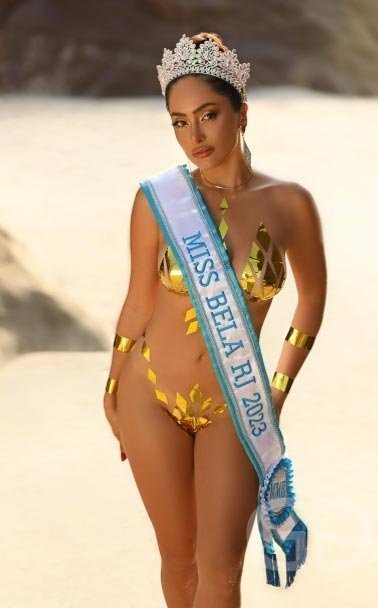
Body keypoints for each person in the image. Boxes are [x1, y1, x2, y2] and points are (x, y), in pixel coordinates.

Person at [103, 31, 327, 608]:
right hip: (149, 395)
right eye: (179, 122)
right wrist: (111, 385)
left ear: (241, 112)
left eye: (208, 116)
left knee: (222, 568)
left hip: (236, 402)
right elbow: (137, 301)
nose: (194, 137)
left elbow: (310, 301)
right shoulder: (158, 198)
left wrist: (276, 391)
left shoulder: (291, 203)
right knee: (178, 558)